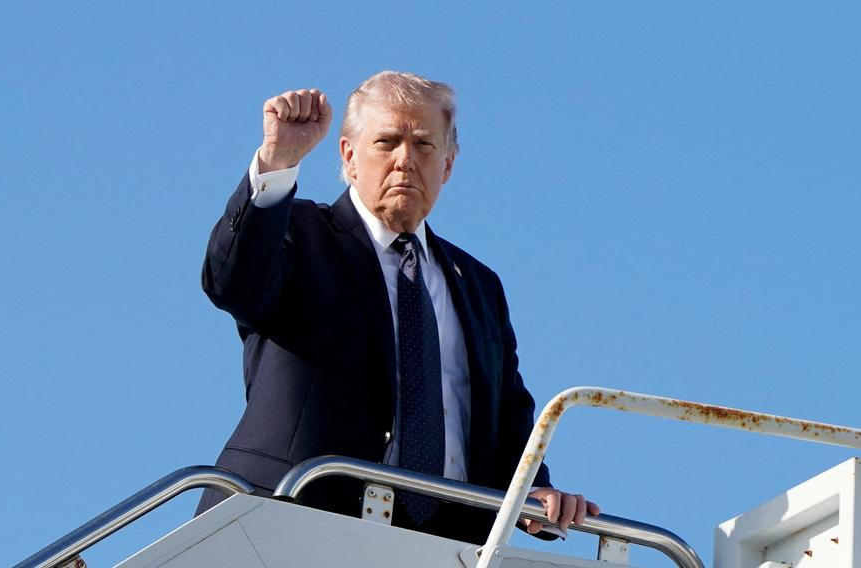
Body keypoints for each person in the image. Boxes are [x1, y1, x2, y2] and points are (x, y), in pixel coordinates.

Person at [197, 71, 598, 543]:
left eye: (424, 145)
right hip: (291, 523)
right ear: (349, 157)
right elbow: (233, 283)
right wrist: (278, 159)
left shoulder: (479, 285)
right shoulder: (299, 233)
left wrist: (533, 490)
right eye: (386, 142)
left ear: (448, 165)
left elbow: (503, 415)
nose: (405, 160)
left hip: (444, 542)